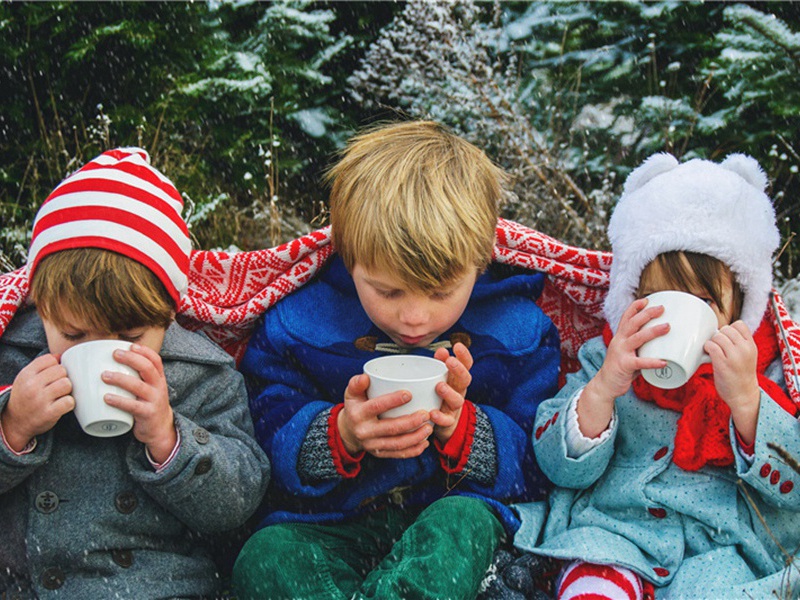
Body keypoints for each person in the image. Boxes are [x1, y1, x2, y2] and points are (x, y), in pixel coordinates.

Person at [232, 121, 561, 599]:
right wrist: (340, 433)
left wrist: (465, 429)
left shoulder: (519, 331)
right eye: (387, 291)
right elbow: (261, 437)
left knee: (460, 527)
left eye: (440, 292)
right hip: (333, 524)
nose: (413, 318)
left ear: (482, 259)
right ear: (347, 254)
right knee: (266, 557)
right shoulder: (300, 323)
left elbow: (540, 463)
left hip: (454, 519)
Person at [512, 153, 800, 599]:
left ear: (739, 308)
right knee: (593, 580)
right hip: (618, 530)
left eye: (702, 301)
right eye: (659, 298)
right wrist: (605, 387)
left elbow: (795, 486)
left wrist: (747, 400)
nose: (677, 316)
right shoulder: (607, 358)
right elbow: (557, 466)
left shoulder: (767, 370)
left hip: (721, 549)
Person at [0, 148, 271, 598]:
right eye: (72, 333)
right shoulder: (13, 357)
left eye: (129, 337)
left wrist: (169, 437)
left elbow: (237, 504)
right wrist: (12, 427)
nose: (101, 352)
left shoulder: (202, 375)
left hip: (156, 586)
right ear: (40, 310)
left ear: (168, 314)